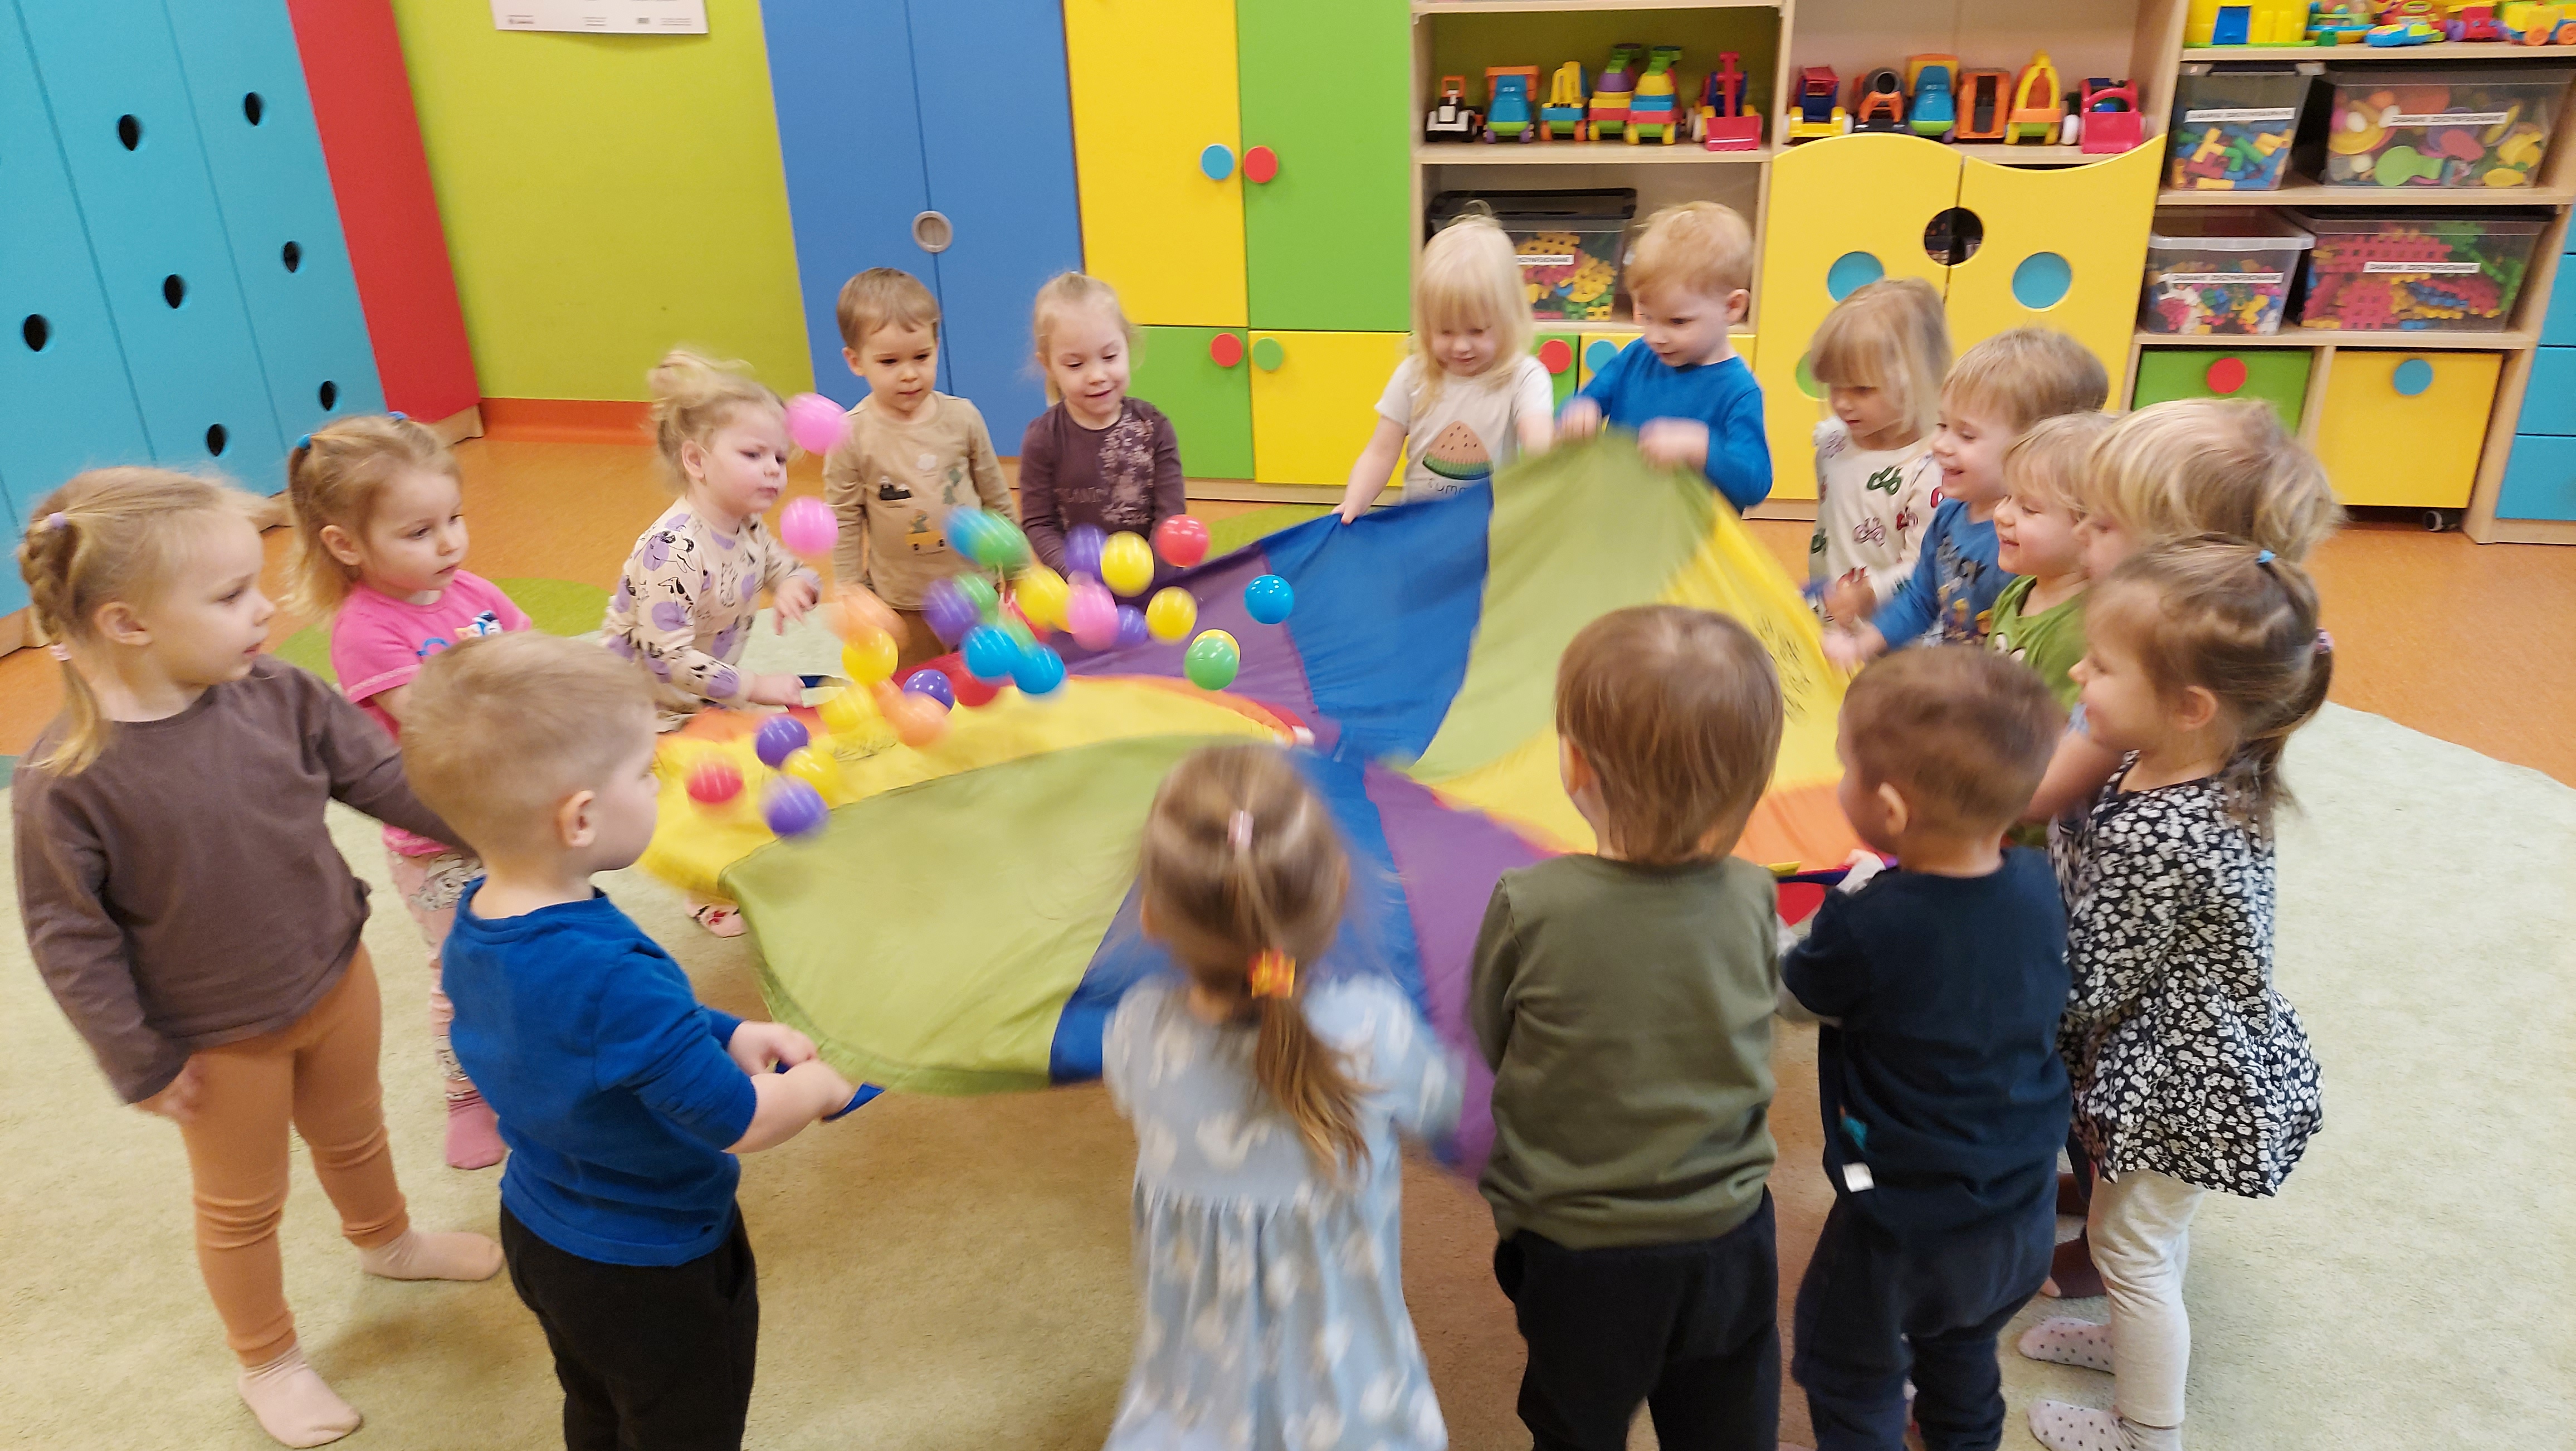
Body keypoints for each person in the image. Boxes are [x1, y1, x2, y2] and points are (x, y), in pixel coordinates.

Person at [13, 468, 502, 1449]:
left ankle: (386, 1239)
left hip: (334, 969)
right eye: (232, 594)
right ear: (128, 623)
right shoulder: (65, 780)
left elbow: (375, 773)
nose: (266, 610)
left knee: (354, 1130)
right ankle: (267, 1358)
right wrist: (137, 1058)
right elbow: (70, 936)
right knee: (242, 1205)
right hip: (213, 1037)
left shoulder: (276, 690)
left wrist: (497, 829)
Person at [406, 631, 857, 1451]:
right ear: (581, 818)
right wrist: (820, 1087)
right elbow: (739, 1119)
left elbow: (595, 1034)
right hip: (652, 1263)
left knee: (597, 1405)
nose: (661, 785)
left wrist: (729, 1030)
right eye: (646, 773)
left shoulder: (477, 920)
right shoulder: (611, 971)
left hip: (540, 1228)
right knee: (686, 1426)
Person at [2017, 542, 2330, 1451]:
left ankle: (2147, 1429)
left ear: (2190, 705)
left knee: (2130, 1248)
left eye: (2101, 664)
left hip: (2174, 1079)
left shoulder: (2161, 831)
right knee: (2139, 1229)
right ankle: (2128, 1340)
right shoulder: (2181, 758)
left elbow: (2088, 982)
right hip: (2174, 1055)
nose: (2079, 673)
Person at [1472, 604, 1788, 1451]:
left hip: (1578, 1250)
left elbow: (1494, 1040)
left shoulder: (1530, 904)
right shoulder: (1755, 895)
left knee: (1576, 1426)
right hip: (1729, 1234)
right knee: (1728, 1423)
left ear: (1575, 764)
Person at [1101, 743, 1461, 1449]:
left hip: (1196, 1416)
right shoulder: (1372, 1031)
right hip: (1354, 1416)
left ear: (1151, 915)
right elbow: (1446, 1105)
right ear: (1336, 885)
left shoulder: (1139, 1035)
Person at [1779, 647, 2070, 1451]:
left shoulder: (1869, 924)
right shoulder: (2037, 883)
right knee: (1962, 1348)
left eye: (1846, 770)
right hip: (2019, 1208)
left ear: (1890, 810)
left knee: (1849, 1373)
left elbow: (1796, 994)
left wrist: (1797, 924)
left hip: (1900, 1223)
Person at [288, 412, 527, 1170]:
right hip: (438, 841)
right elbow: (443, 719)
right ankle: (467, 1096)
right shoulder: (365, 630)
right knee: (462, 974)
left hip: (517, 816)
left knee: (540, 948)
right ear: (345, 544)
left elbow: (536, 663)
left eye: (454, 518)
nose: (449, 543)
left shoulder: (474, 591)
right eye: (420, 532)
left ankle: (547, 1065)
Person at [2022, 398, 2342, 826]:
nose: (2079, 532)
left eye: (2102, 524)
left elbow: (2033, 801)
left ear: (2172, 560)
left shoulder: (2146, 685)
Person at [1824, 329, 2109, 670]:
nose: (1940, 444)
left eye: (1967, 435)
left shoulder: (2028, 544)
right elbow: (1921, 596)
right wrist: (1863, 644)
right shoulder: (1950, 512)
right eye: (1942, 425)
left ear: (2031, 448)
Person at [823, 267, 1015, 666]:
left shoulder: (963, 418)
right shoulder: (850, 435)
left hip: (974, 589)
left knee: (983, 677)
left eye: (922, 357)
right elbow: (843, 517)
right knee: (916, 685)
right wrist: (848, 587)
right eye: (889, 361)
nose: (910, 374)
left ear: (936, 346)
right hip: (902, 602)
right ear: (856, 361)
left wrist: (1016, 566)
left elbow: (995, 496)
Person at [1556, 202, 1771, 511]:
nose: (1654, 337)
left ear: (1732, 307)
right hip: (1619, 514)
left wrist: (1702, 447)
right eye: (1647, 317)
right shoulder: (1637, 355)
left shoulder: (1739, 391)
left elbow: (1755, 485)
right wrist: (1580, 411)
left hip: (1691, 533)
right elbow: (1585, 401)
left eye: (1677, 322)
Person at [1337, 213, 1553, 521]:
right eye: (1445, 331)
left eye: (1477, 331)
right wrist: (1355, 502)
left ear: (1510, 319)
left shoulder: (1524, 377)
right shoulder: (1414, 375)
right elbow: (1380, 452)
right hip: (1421, 523)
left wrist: (1553, 459)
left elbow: (1538, 441)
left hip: (1491, 524)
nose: (1461, 346)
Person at [1017, 272, 1186, 573]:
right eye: (1076, 364)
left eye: (1109, 357)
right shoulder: (1043, 438)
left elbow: (1170, 515)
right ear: (1049, 366)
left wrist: (1145, 572)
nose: (1097, 376)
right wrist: (1072, 573)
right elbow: (1039, 523)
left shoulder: (1155, 428)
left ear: (1127, 346)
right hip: (1082, 586)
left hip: (1153, 578)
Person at [1803, 277, 1951, 621]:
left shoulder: (1929, 470)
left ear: (1917, 379)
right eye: (1834, 386)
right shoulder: (1833, 442)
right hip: (1832, 617)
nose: (1842, 403)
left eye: (1862, 390)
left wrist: (1870, 591)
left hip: (1892, 630)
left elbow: (1924, 567)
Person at [1988, 412, 2115, 709]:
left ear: (2088, 530)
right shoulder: (2020, 590)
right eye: (2007, 497)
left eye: (2028, 509)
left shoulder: (2078, 631)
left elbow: (2062, 726)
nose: (2001, 514)